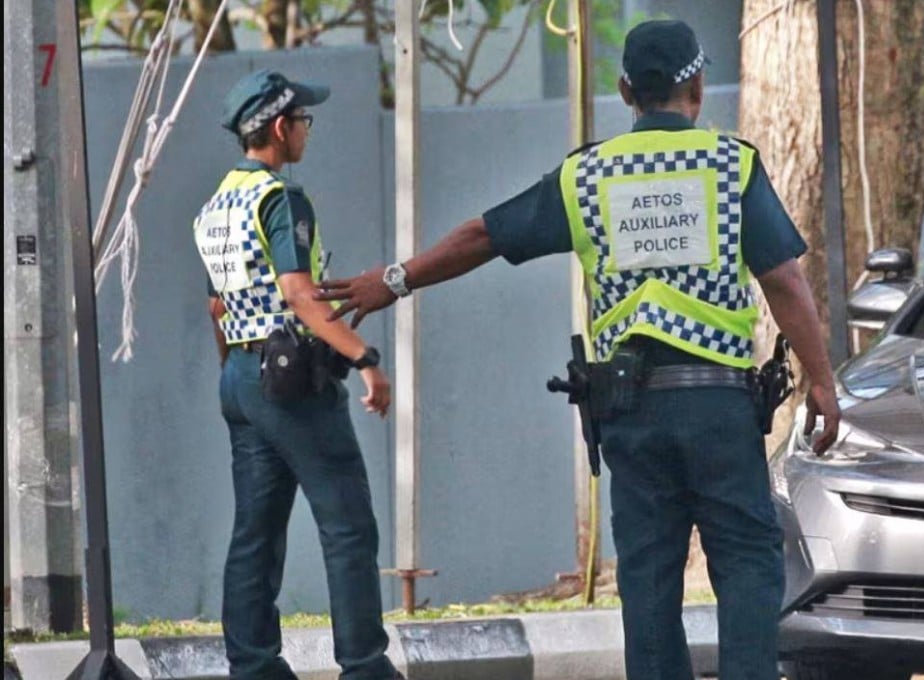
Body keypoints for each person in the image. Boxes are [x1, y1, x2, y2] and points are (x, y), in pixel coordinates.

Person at [318, 18, 843, 680]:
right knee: (746, 561)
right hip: (718, 409)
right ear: (699, 85)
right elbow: (784, 279)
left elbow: (486, 234)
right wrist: (821, 380)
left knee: (649, 579)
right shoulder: (729, 164)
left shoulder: (588, 176)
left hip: (632, 414)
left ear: (626, 89)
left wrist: (393, 281)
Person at [193, 68, 403, 680]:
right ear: (281, 128)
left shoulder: (215, 208)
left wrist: (234, 375)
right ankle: (365, 666)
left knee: (255, 533)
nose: (308, 131)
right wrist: (364, 359)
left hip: (241, 374)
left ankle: (253, 666)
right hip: (289, 378)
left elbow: (216, 306)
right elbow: (301, 295)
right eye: (304, 121)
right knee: (347, 524)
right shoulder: (282, 199)